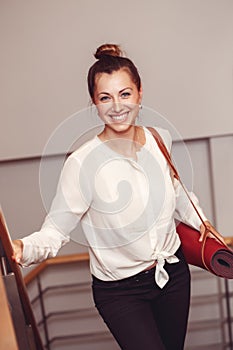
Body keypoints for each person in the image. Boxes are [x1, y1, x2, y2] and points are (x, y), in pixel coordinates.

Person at [12, 43, 225, 350]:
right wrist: (22, 248)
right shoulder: (82, 164)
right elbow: (55, 231)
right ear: (94, 103)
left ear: (140, 93)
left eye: (125, 94)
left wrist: (204, 226)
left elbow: (178, 192)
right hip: (120, 292)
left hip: (173, 275)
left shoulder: (158, 138)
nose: (117, 106)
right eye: (105, 97)